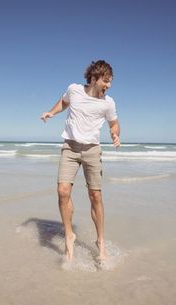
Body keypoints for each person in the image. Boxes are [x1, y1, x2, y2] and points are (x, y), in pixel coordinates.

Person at [40, 60, 120, 262]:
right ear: (94, 78)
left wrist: (115, 133)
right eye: (106, 81)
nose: (108, 86)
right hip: (70, 147)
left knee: (95, 196)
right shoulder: (74, 90)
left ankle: (100, 241)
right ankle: (69, 235)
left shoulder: (108, 103)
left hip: (92, 150)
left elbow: (114, 123)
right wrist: (51, 112)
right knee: (63, 191)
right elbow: (63, 103)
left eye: (110, 82)